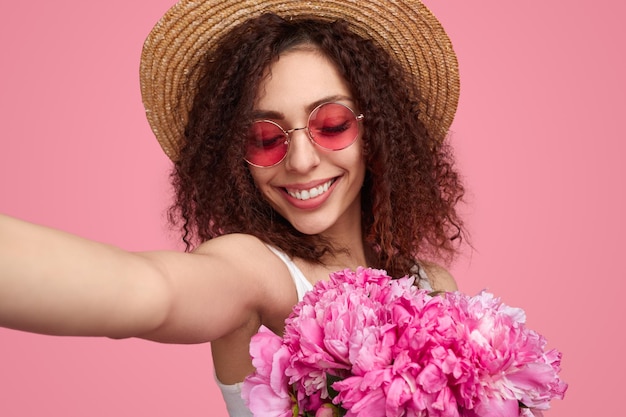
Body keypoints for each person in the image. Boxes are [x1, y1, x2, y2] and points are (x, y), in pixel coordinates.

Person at [0, 0, 465, 415]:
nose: (301, 162)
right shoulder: (255, 270)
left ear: (377, 131)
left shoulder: (433, 286)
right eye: (264, 137)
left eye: (332, 124)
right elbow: (149, 292)